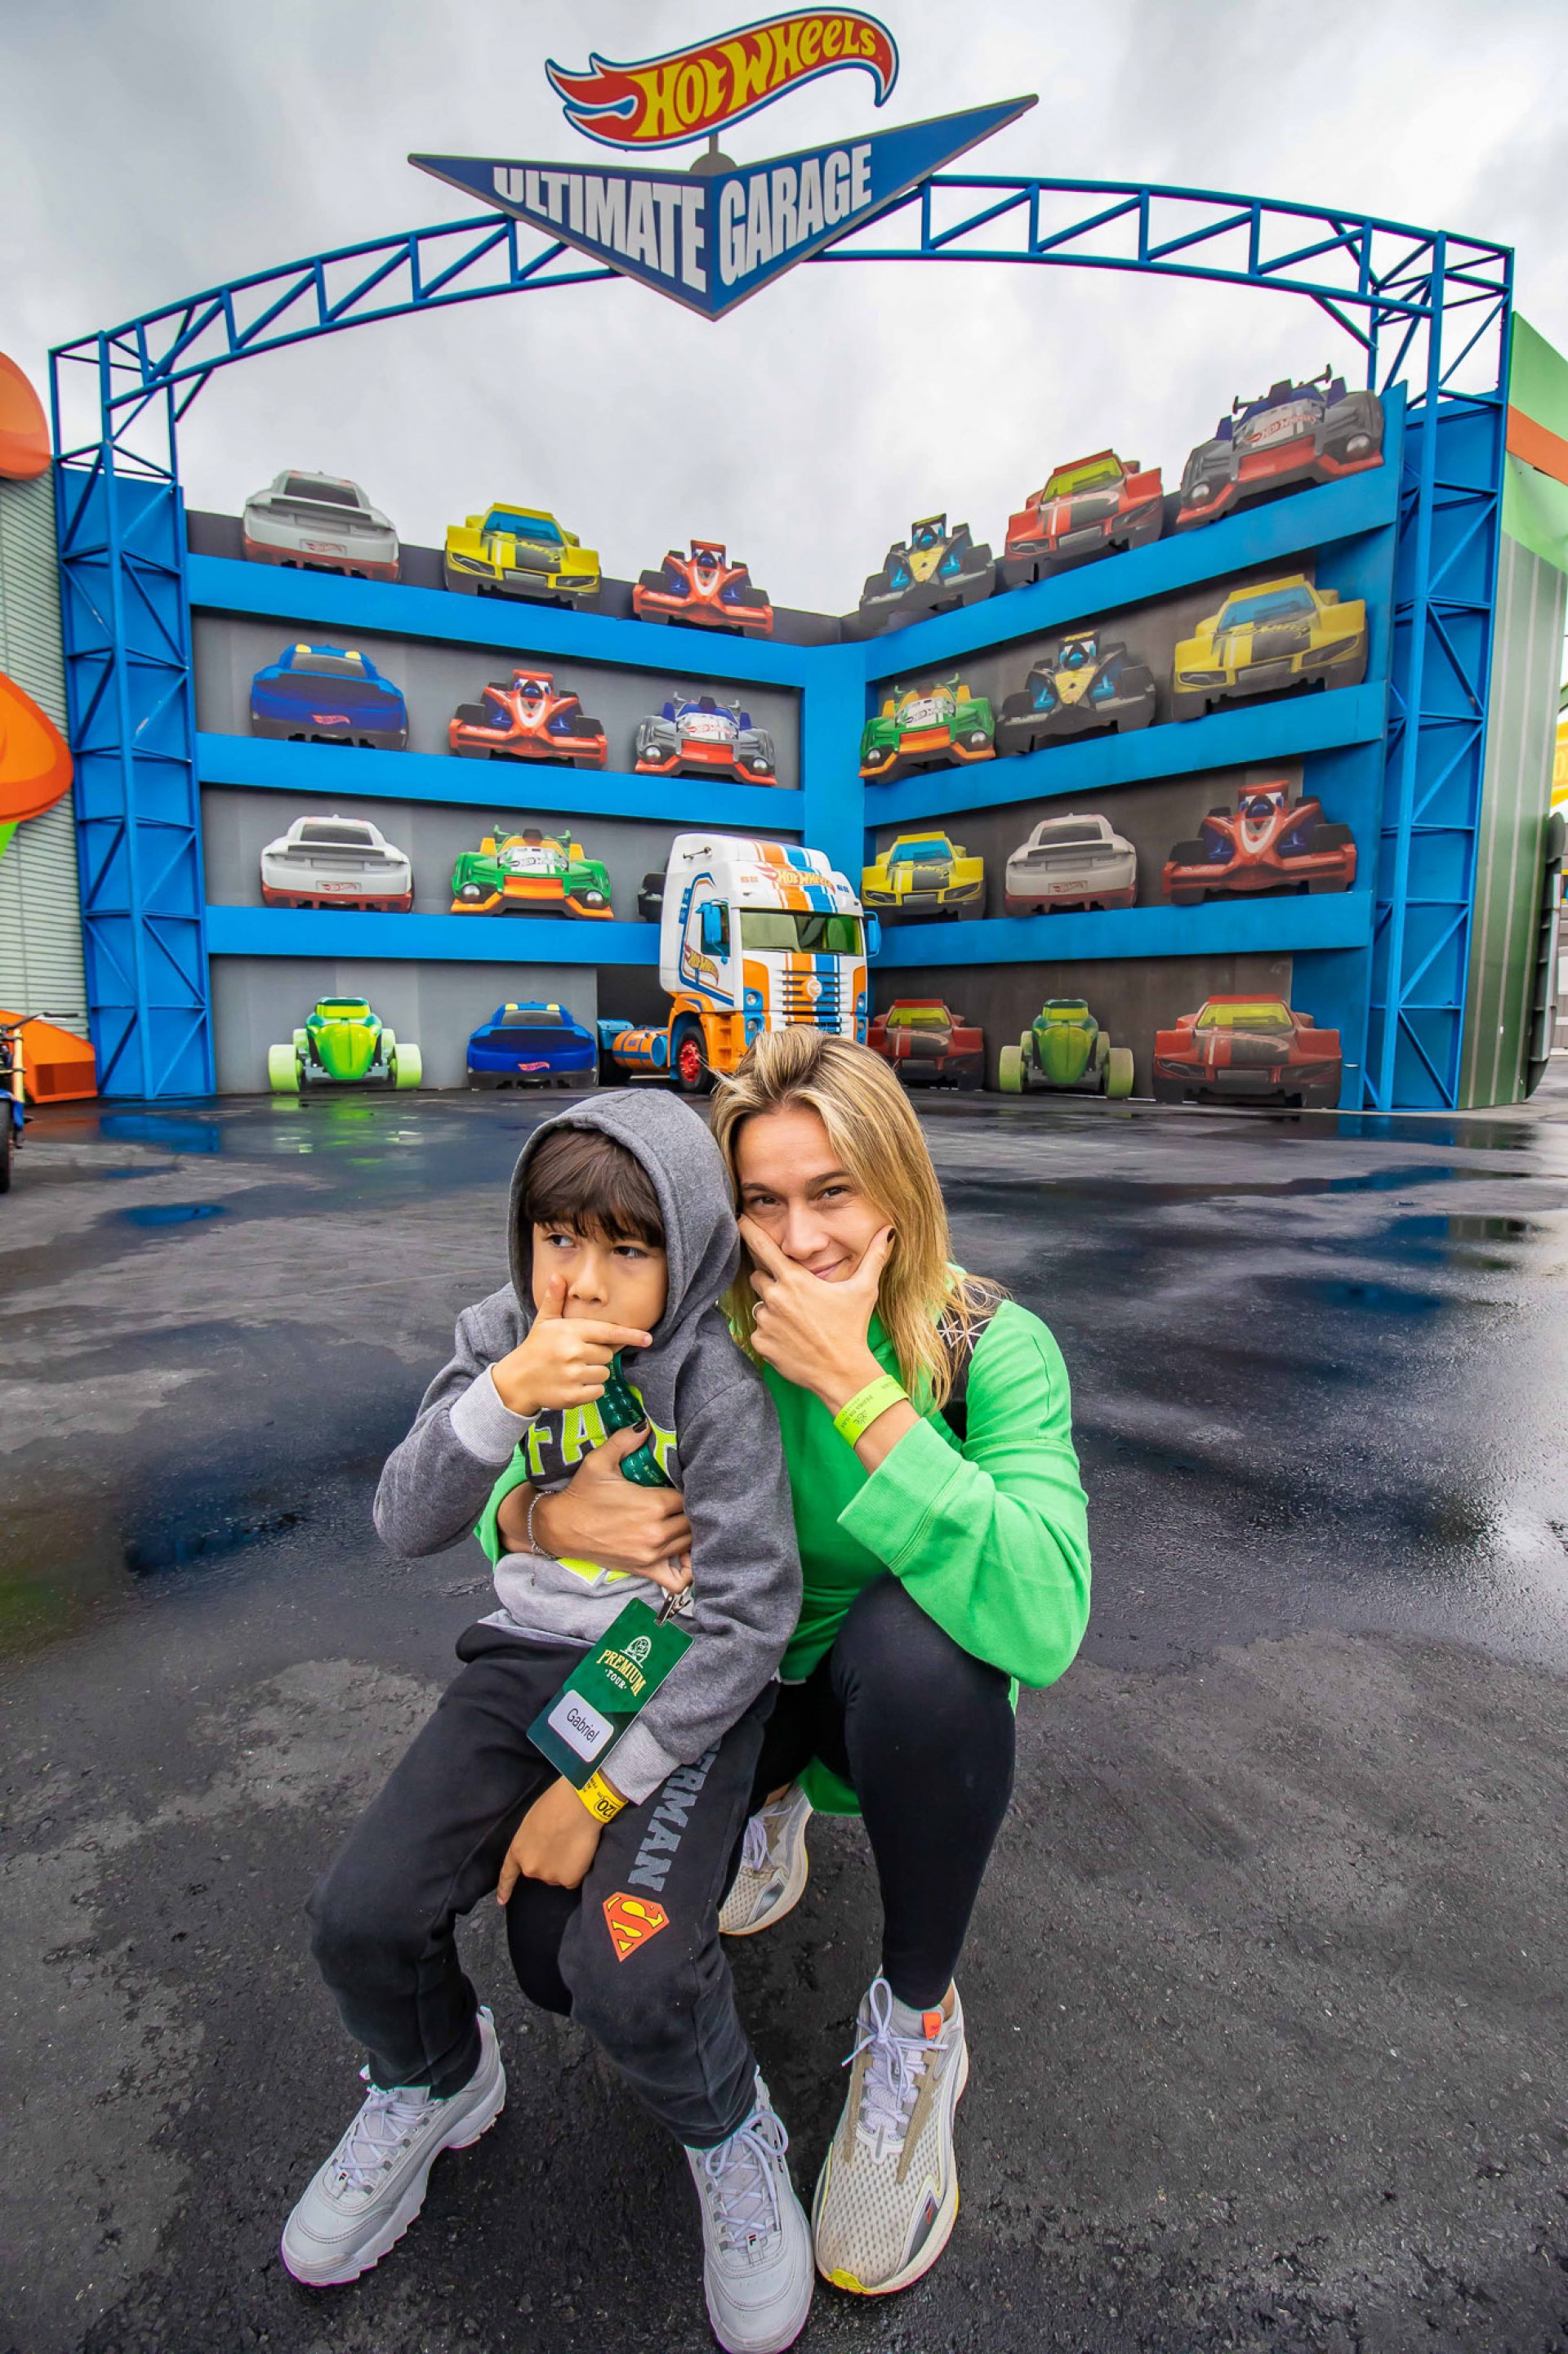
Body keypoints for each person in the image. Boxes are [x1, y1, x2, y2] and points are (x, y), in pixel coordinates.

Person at [494, 1030, 1092, 2302]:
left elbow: (1046, 1615)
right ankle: (761, 1809)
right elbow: (513, 1472)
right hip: (731, 1682)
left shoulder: (994, 1344)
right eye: (761, 1199)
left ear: (897, 1188)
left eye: (832, 1192)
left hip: (888, 1702)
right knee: (555, 1944)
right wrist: (544, 1516)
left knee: (924, 1649)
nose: (800, 1237)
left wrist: (861, 1389)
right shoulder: (699, 1330)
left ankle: (919, 2026)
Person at [283, 1092, 817, 2354]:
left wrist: (593, 1791)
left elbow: (753, 1614)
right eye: (558, 1239)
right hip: (522, 1664)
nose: (582, 1281)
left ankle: (730, 2124)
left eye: (626, 1247)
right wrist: (500, 1403)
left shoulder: (712, 1378)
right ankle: (433, 2074)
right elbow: (403, 1519)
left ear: (683, 1250)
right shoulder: (500, 1338)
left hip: (672, 1678)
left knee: (621, 1969)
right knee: (358, 1913)